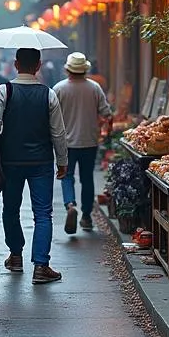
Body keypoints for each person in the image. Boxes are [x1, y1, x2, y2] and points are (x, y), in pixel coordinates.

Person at [0, 47, 69, 285]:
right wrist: (62, 160)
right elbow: (58, 132)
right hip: (41, 162)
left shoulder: (4, 91)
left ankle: (16, 256)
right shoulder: (48, 94)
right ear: (38, 65)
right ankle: (41, 265)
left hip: (11, 161)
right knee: (43, 213)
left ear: (16, 64)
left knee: (11, 209)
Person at [53, 52, 113, 233]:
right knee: (87, 179)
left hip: (65, 143)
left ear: (67, 69)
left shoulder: (59, 89)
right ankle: (86, 217)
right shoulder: (94, 88)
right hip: (89, 140)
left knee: (67, 175)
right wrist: (106, 130)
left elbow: (50, 116)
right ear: (84, 69)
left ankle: (70, 204)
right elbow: (107, 114)